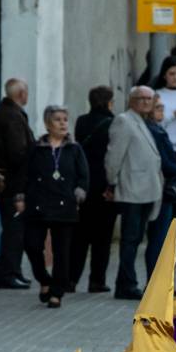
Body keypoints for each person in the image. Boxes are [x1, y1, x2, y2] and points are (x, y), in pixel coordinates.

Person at [23, 105, 89, 308]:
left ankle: (57, 292)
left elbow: (83, 175)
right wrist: (21, 196)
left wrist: (78, 193)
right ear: (47, 124)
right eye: (57, 120)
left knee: (62, 251)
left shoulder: (74, 148)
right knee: (32, 245)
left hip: (64, 205)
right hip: (38, 204)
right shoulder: (37, 148)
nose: (62, 124)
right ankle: (44, 279)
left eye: (65, 119)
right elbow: (26, 174)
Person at [106, 85, 164, 300]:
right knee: (129, 240)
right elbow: (114, 156)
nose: (146, 102)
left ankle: (125, 281)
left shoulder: (144, 122)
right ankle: (126, 285)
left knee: (136, 239)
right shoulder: (124, 121)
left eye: (150, 99)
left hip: (147, 190)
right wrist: (111, 182)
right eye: (141, 98)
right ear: (131, 100)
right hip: (132, 188)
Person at [0, 78, 34, 290]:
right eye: (26, 92)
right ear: (21, 94)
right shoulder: (12, 117)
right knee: (14, 229)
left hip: (10, 182)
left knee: (14, 228)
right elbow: (18, 154)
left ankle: (13, 271)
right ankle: (7, 273)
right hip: (14, 184)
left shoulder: (6, 113)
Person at [72, 86, 118, 291]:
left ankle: (71, 279)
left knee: (79, 236)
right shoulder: (115, 123)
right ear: (109, 102)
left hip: (83, 181)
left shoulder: (81, 121)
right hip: (104, 183)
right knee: (102, 237)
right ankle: (96, 280)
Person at [145, 93, 176, 273]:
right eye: (158, 108)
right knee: (159, 237)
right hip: (162, 186)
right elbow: (163, 161)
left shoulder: (157, 128)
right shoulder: (154, 131)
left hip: (165, 185)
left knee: (163, 237)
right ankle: (157, 281)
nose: (162, 111)